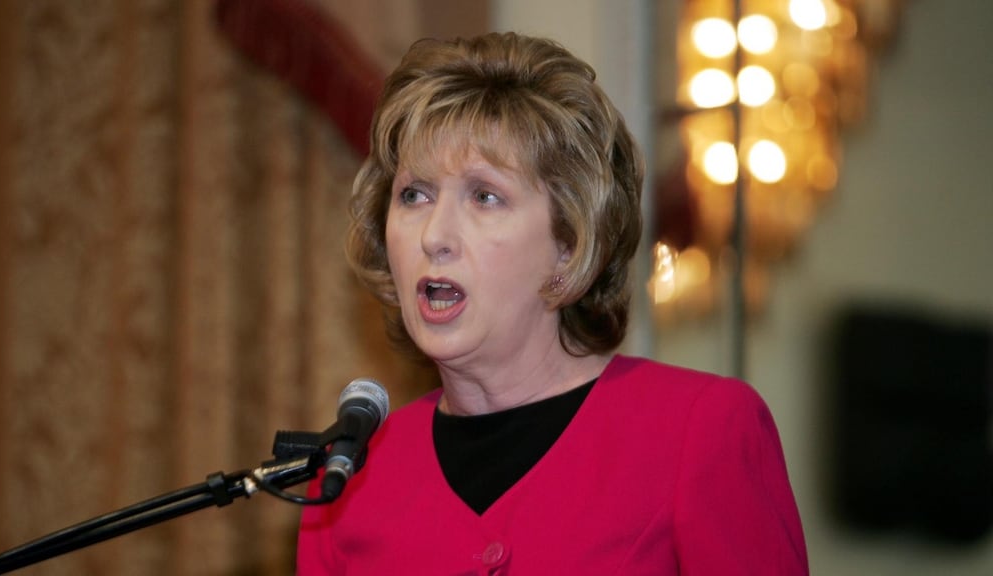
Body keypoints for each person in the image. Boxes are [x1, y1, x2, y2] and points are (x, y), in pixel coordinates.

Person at [297, 31, 808, 575]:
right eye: (414, 195)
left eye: (485, 196)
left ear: (569, 243)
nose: (434, 235)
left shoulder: (700, 432)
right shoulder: (346, 478)